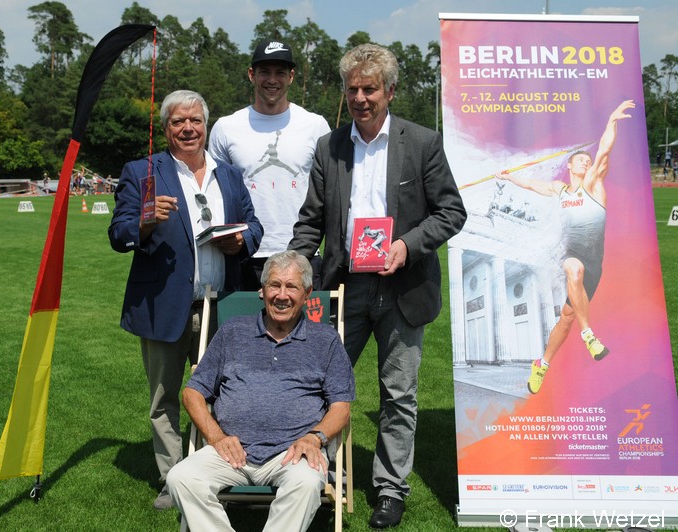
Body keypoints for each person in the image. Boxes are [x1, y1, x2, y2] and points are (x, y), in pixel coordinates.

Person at [288, 44, 466, 529]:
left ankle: (390, 488)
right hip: (344, 287)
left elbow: (451, 212)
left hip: (404, 289)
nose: (361, 98)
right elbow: (310, 221)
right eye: (353, 89)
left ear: (390, 91)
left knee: (398, 394)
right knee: (320, 386)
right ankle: (320, 473)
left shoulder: (423, 142)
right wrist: (296, 270)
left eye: (370, 89)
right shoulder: (329, 147)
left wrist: (407, 245)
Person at [108, 89, 263, 510]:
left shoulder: (229, 174)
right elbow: (118, 233)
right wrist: (144, 221)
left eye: (195, 120)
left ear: (206, 126)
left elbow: (254, 225)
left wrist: (241, 242)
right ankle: (172, 479)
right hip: (163, 305)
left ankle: (221, 472)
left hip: (221, 305)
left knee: (226, 395)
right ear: (166, 128)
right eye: (178, 121)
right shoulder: (142, 172)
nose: (188, 128)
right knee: (164, 397)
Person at [166, 250, 355, 531]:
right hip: (231, 451)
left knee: (306, 483)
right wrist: (216, 437)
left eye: (291, 286)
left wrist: (315, 438)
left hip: (293, 452)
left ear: (307, 294)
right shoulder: (232, 331)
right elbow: (192, 393)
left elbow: (341, 406)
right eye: (274, 285)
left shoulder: (325, 340)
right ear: (262, 290)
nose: (281, 295)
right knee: (181, 478)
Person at [496, 100, 634, 394]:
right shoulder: (560, 190)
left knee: (567, 316)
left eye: (587, 161)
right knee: (573, 269)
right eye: (580, 160)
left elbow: (605, 150)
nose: (586, 162)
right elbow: (533, 185)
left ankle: (541, 364)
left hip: (595, 261)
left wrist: (612, 119)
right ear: (568, 165)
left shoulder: (593, 185)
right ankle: (589, 335)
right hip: (573, 254)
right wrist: (508, 177)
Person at [209, 39, 330, 290]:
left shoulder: (315, 125)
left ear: (291, 76)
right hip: (245, 253)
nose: (272, 80)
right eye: (264, 71)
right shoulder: (225, 127)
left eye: (280, 72)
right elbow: (216, 195)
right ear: (251, 74)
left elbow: (327, 194)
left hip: (302, 254)